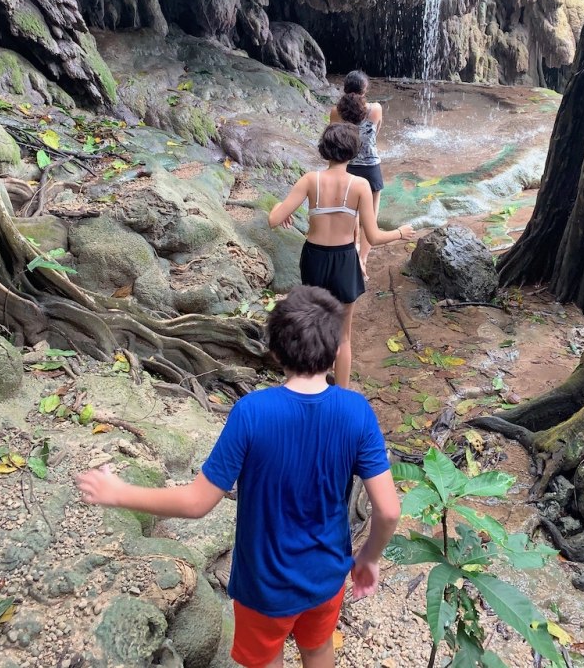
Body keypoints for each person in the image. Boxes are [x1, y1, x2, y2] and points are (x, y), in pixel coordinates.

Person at [76, 285, 401, 668]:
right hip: (327, 575)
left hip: (265, 585)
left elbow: (198, 502)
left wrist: (119, 492)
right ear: (334, 353)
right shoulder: (356, 411)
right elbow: (390, 511)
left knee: (265, 658)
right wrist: (369, 558)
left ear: (275, 352)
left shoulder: (252, 412)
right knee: (318, 648)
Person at [268, 123, 414, 388]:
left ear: (325, 150)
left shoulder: (310, 179)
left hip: (314, 258)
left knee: (313, 323)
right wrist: (400, 233)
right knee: (344, 336)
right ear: (353, 152)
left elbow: (273, 220)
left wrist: (280, 206)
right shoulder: (360, 185)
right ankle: (342, 395)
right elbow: (374, 237)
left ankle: (310, 382)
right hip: (345, 260)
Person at [329, 71, 383, 280]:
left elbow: (334, 139)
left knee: (351, 216)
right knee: (371, 218)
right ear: (365, 89)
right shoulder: (375, 109)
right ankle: (363, 260)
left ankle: (351, 259)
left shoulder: (335, 112)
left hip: (348, 168)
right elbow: (375, 134)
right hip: (370, 169)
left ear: (344, 89)